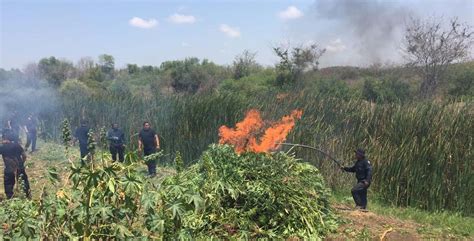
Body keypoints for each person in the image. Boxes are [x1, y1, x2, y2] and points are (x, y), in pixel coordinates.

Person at [0, 132, 31, 199]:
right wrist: (21, 163)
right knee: (24, 181)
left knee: (8, 183)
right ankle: (27, 196)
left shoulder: (2, 147)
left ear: (5, 138)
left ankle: (10, 197)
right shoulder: (17, 145)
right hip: (19, 166)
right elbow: (24, 156)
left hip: (9, 168)